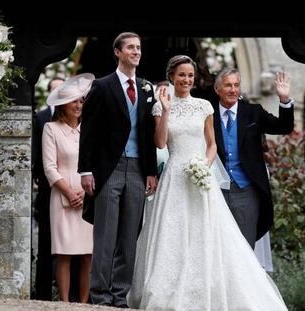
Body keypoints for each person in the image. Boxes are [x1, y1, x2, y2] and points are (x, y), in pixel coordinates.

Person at [127, 55, 288, 310]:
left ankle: (210, 289)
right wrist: (166, 110)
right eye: (182, 75)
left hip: (202, 177)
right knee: (174, 233)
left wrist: (204, 166)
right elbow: (159, 143)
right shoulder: (160, 106)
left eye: (190, 75)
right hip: (174, 179)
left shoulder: (204, 106)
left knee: (209, 234)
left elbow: (211, 144)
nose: (186, 80)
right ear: (172, 77)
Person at [78, 32, 158, 308]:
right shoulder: (102, 86)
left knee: (128, 238)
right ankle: (100, 295)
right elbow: (87, 131)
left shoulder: (146, 89)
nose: (136, 52)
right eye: (131, 48)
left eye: (139, 47)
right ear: (118, 52)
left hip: (138, 169)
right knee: (106, 235)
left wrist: (151, 171)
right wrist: (85, 170)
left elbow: (148, 135)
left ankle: (120, 296)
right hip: (108, 169)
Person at [212, 68, 294, 248]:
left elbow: (284, 127)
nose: (233, 90)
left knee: (244, 249)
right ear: (217, 89)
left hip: (246, 191)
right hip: (215, 191)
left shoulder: (253, 112)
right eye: (228, 85)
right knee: (217, 248)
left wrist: (284, 99)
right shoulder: (208, 114)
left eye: (236, 85)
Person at [42, 73, 95, 303]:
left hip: (88, 197)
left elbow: (96, 164)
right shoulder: (50, 129)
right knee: (63, 253)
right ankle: (64, 303)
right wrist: (69, 192)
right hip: (62, 198)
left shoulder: (89, 130)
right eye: (74, 101)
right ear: (63, 105)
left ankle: (84, 303)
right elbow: (49, 168)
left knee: (87, 254)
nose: (78, 105)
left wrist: (85, 193)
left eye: (81, 100)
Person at [32, 76, 64, 300]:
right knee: (45, 241)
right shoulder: (41, 117)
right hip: (46, 185)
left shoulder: (75, 116)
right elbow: (35, 147)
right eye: (55, 88)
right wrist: (36, 176)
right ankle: (42, 291)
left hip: (69, 183)